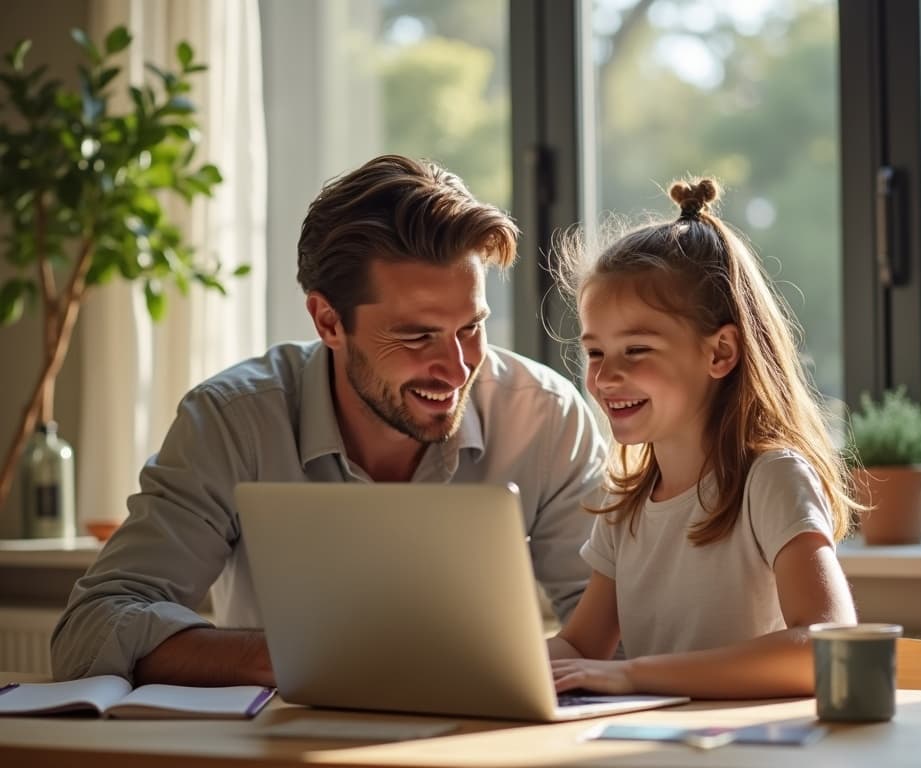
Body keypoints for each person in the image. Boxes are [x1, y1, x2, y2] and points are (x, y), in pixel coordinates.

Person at [51, 154, 606, 686]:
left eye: (470, 328)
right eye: (417, 336)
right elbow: (91, 631)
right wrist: (308, 658)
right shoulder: (233, 421)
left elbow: (616, 629)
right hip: (287, 737)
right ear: (328, 322)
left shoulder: (545, 419)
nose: (457, 367)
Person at [546, 177, 858, 699]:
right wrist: (480, 669)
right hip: (656, 739)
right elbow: (581, 646)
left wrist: (633, 675)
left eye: (637, 350)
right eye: (595, 353)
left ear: (720, 353)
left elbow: (829, 645)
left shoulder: (772, 479)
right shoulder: (625, 504)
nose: (605, 376)